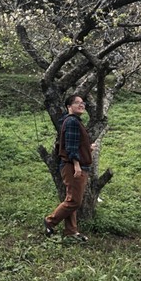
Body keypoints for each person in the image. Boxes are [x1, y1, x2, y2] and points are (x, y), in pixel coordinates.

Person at [44, 95, 95, 242]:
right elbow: (71, 147)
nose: (82, 105)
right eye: (77, 103)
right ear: (69, 107)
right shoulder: (72, 121)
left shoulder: (72, 121)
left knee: (71, 198)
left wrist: (87, 148)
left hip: (73, 165)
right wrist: (77, 165)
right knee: (74, 201)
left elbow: (73, 143)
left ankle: (71, 231)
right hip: (73, 166)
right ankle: (50, 221)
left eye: (82, 103)